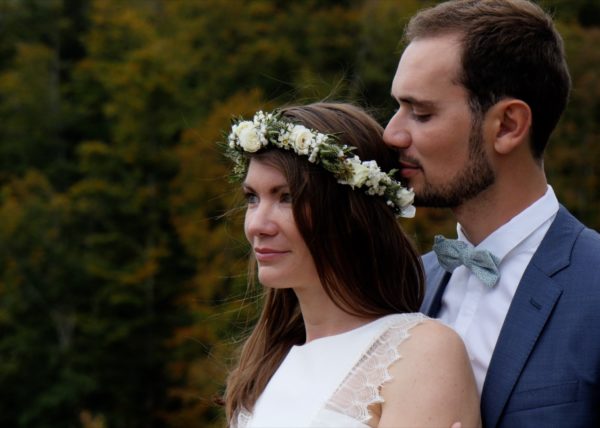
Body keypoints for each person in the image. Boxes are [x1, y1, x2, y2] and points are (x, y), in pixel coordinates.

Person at [383, 0, 600, 427]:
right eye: (397, 107)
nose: (392, 133)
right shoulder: (402, 286)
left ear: (507, 126)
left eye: (421, 113)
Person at [221, 102, 480, 427]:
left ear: (350, 214)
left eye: (286, 197)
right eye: (252, 198)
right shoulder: (263, 364)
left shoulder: (420, 353)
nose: (257, 225)